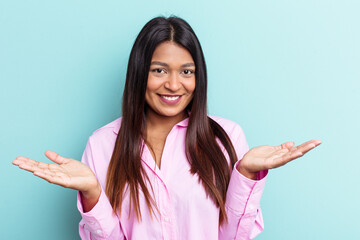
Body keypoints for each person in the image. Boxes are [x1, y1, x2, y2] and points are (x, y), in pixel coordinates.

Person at [12, 16, 321, 240]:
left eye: (187, 72)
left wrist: (246, 175)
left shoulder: (226, 138)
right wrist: (93, 194)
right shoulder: (103, 144)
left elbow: (233, 238)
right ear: (139, 73)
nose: (174, 84)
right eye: (159, 70)